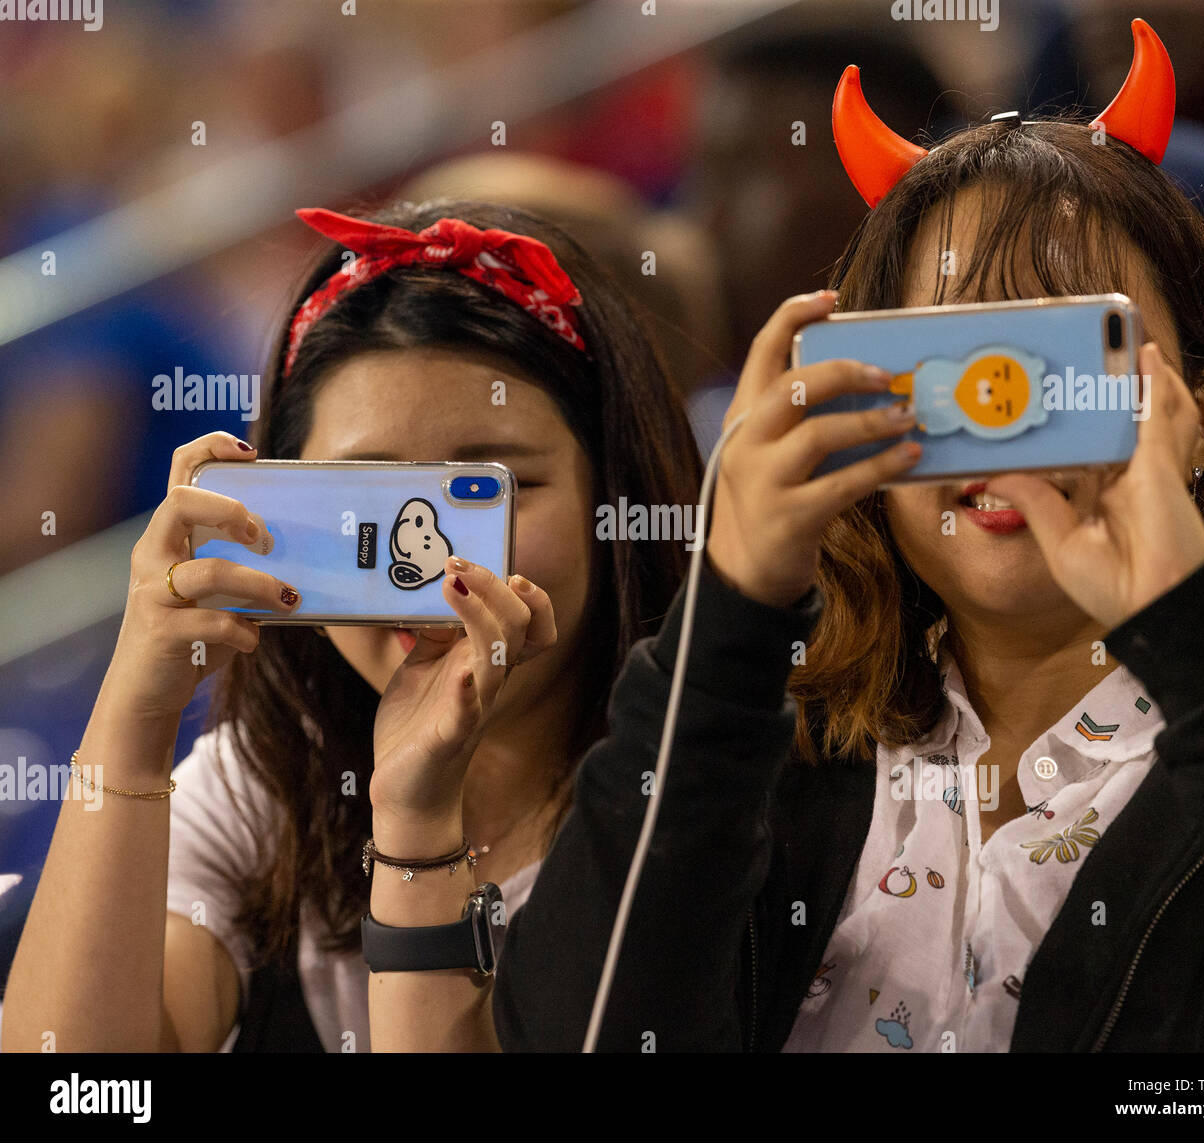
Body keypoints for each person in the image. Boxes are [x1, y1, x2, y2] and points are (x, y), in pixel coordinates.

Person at [492, 22, 1204, 1051]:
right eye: (953, 366)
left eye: (1063, 356)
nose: (1005, 424)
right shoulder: (765, 736)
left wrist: (1200, 637)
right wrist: (729, 618)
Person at [0, 198, 703, 1052]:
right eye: (367, 500)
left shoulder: (710, 784)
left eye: (487, 490)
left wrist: (414, 829)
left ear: (613, 492)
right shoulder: (266, 784)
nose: (437, 568)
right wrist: (134, 722)